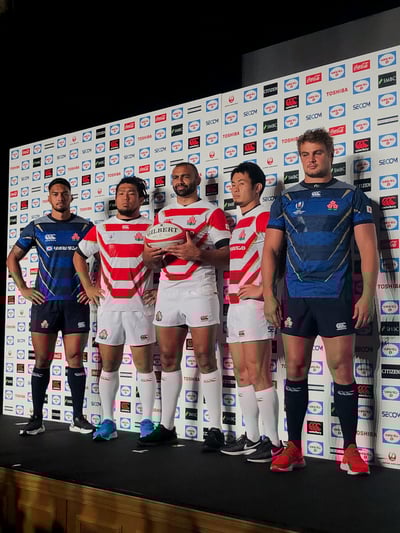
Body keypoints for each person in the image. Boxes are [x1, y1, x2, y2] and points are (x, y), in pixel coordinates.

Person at [262, 128, 379, 475]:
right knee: (296, 369)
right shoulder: (285, 199)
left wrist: (367, 295)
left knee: (342, 369)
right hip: (296, 297)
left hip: (335, 295)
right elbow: (270, 250)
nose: (311, 160)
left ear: (330, 154)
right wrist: (268, 294)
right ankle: (294, 447)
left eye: (317, 153)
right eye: (305, 154)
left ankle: (351, 450)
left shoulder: (351, 195)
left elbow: (368, 249)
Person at [138, 162, 231, 451]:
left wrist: (198, 253)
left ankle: (215, 429)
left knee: (205, 356)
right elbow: (149, 259)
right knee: (167, 358)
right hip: (168, 290)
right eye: (176, 177)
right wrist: (151, 258)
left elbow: (228, 255)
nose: (180, 181)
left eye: (185, 176)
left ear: (197, 179)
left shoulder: (212, 212)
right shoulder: (163, 215)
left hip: (199, 289)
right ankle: (167, 427)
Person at [6, 177, 96, 436]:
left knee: (75, 358)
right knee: (42, 359)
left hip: (75, 302)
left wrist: (91, 286)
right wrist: (23, 288)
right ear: (49, 198)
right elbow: (12, 258)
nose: (60, 197)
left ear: (71, 196)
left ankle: (78, 418)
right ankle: (36, 418)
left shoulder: (85, 226)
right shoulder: (37, 226)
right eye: (55, 193)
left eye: (64, 193)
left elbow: (103, 258)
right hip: (45, 302)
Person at [73, 177, 158, 441]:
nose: (125, 197)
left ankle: (147, 422)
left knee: (144, 367)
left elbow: (170, 260)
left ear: (141, 198)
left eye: (131, 193)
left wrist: (162, 290)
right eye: (121, 193)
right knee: (108, 366)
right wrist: (88, 286)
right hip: (110, 309)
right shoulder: (102, 228)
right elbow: (78, 256)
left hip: (140, 308)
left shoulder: (153, 227)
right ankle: (108, 422)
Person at [220, 161, 284, 463]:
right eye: (232, 184)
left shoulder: (264, 216)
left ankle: (274, 443)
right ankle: (253, 436)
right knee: (242, 373)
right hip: (235, 305)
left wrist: (264, 290)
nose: (234, 189)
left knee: (259, 373)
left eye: (241, 183)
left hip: (255, 307)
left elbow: (280, 255)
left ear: (258, 188)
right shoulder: (240, 221)